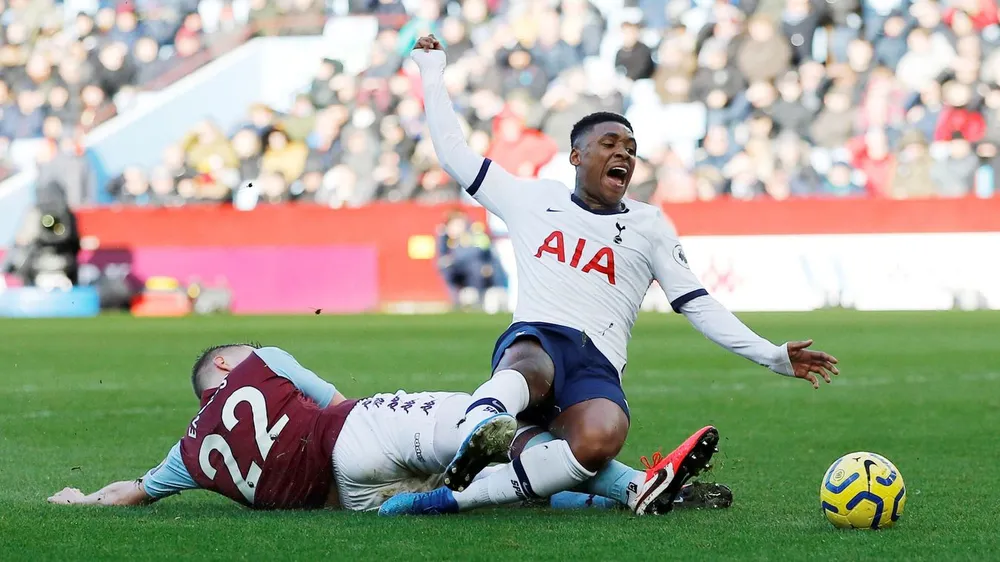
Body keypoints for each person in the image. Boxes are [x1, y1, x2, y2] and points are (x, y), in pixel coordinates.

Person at [379, 36, 839, 517]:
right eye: (610, 143)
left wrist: (772, 355)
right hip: (537, 339)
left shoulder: (650, 226)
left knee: (600, 439)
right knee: (531, 365)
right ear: (576, 156)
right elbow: (453, 153)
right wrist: (432, 68)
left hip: (597, 364)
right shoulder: (534, 199)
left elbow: (698, 303)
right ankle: (481, 429)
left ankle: (620, 486)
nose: (624, 153)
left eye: (631, 148)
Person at [47, 344, 731, 512]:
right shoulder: (260, 361)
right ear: (223, 366)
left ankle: (614, 494)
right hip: (359, 431)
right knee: (495, 432)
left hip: (349, 498)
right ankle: (641, 484)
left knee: (481, 484)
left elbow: (131, 491)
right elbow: (339, 398)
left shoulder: (186, 452)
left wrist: (80, 501)